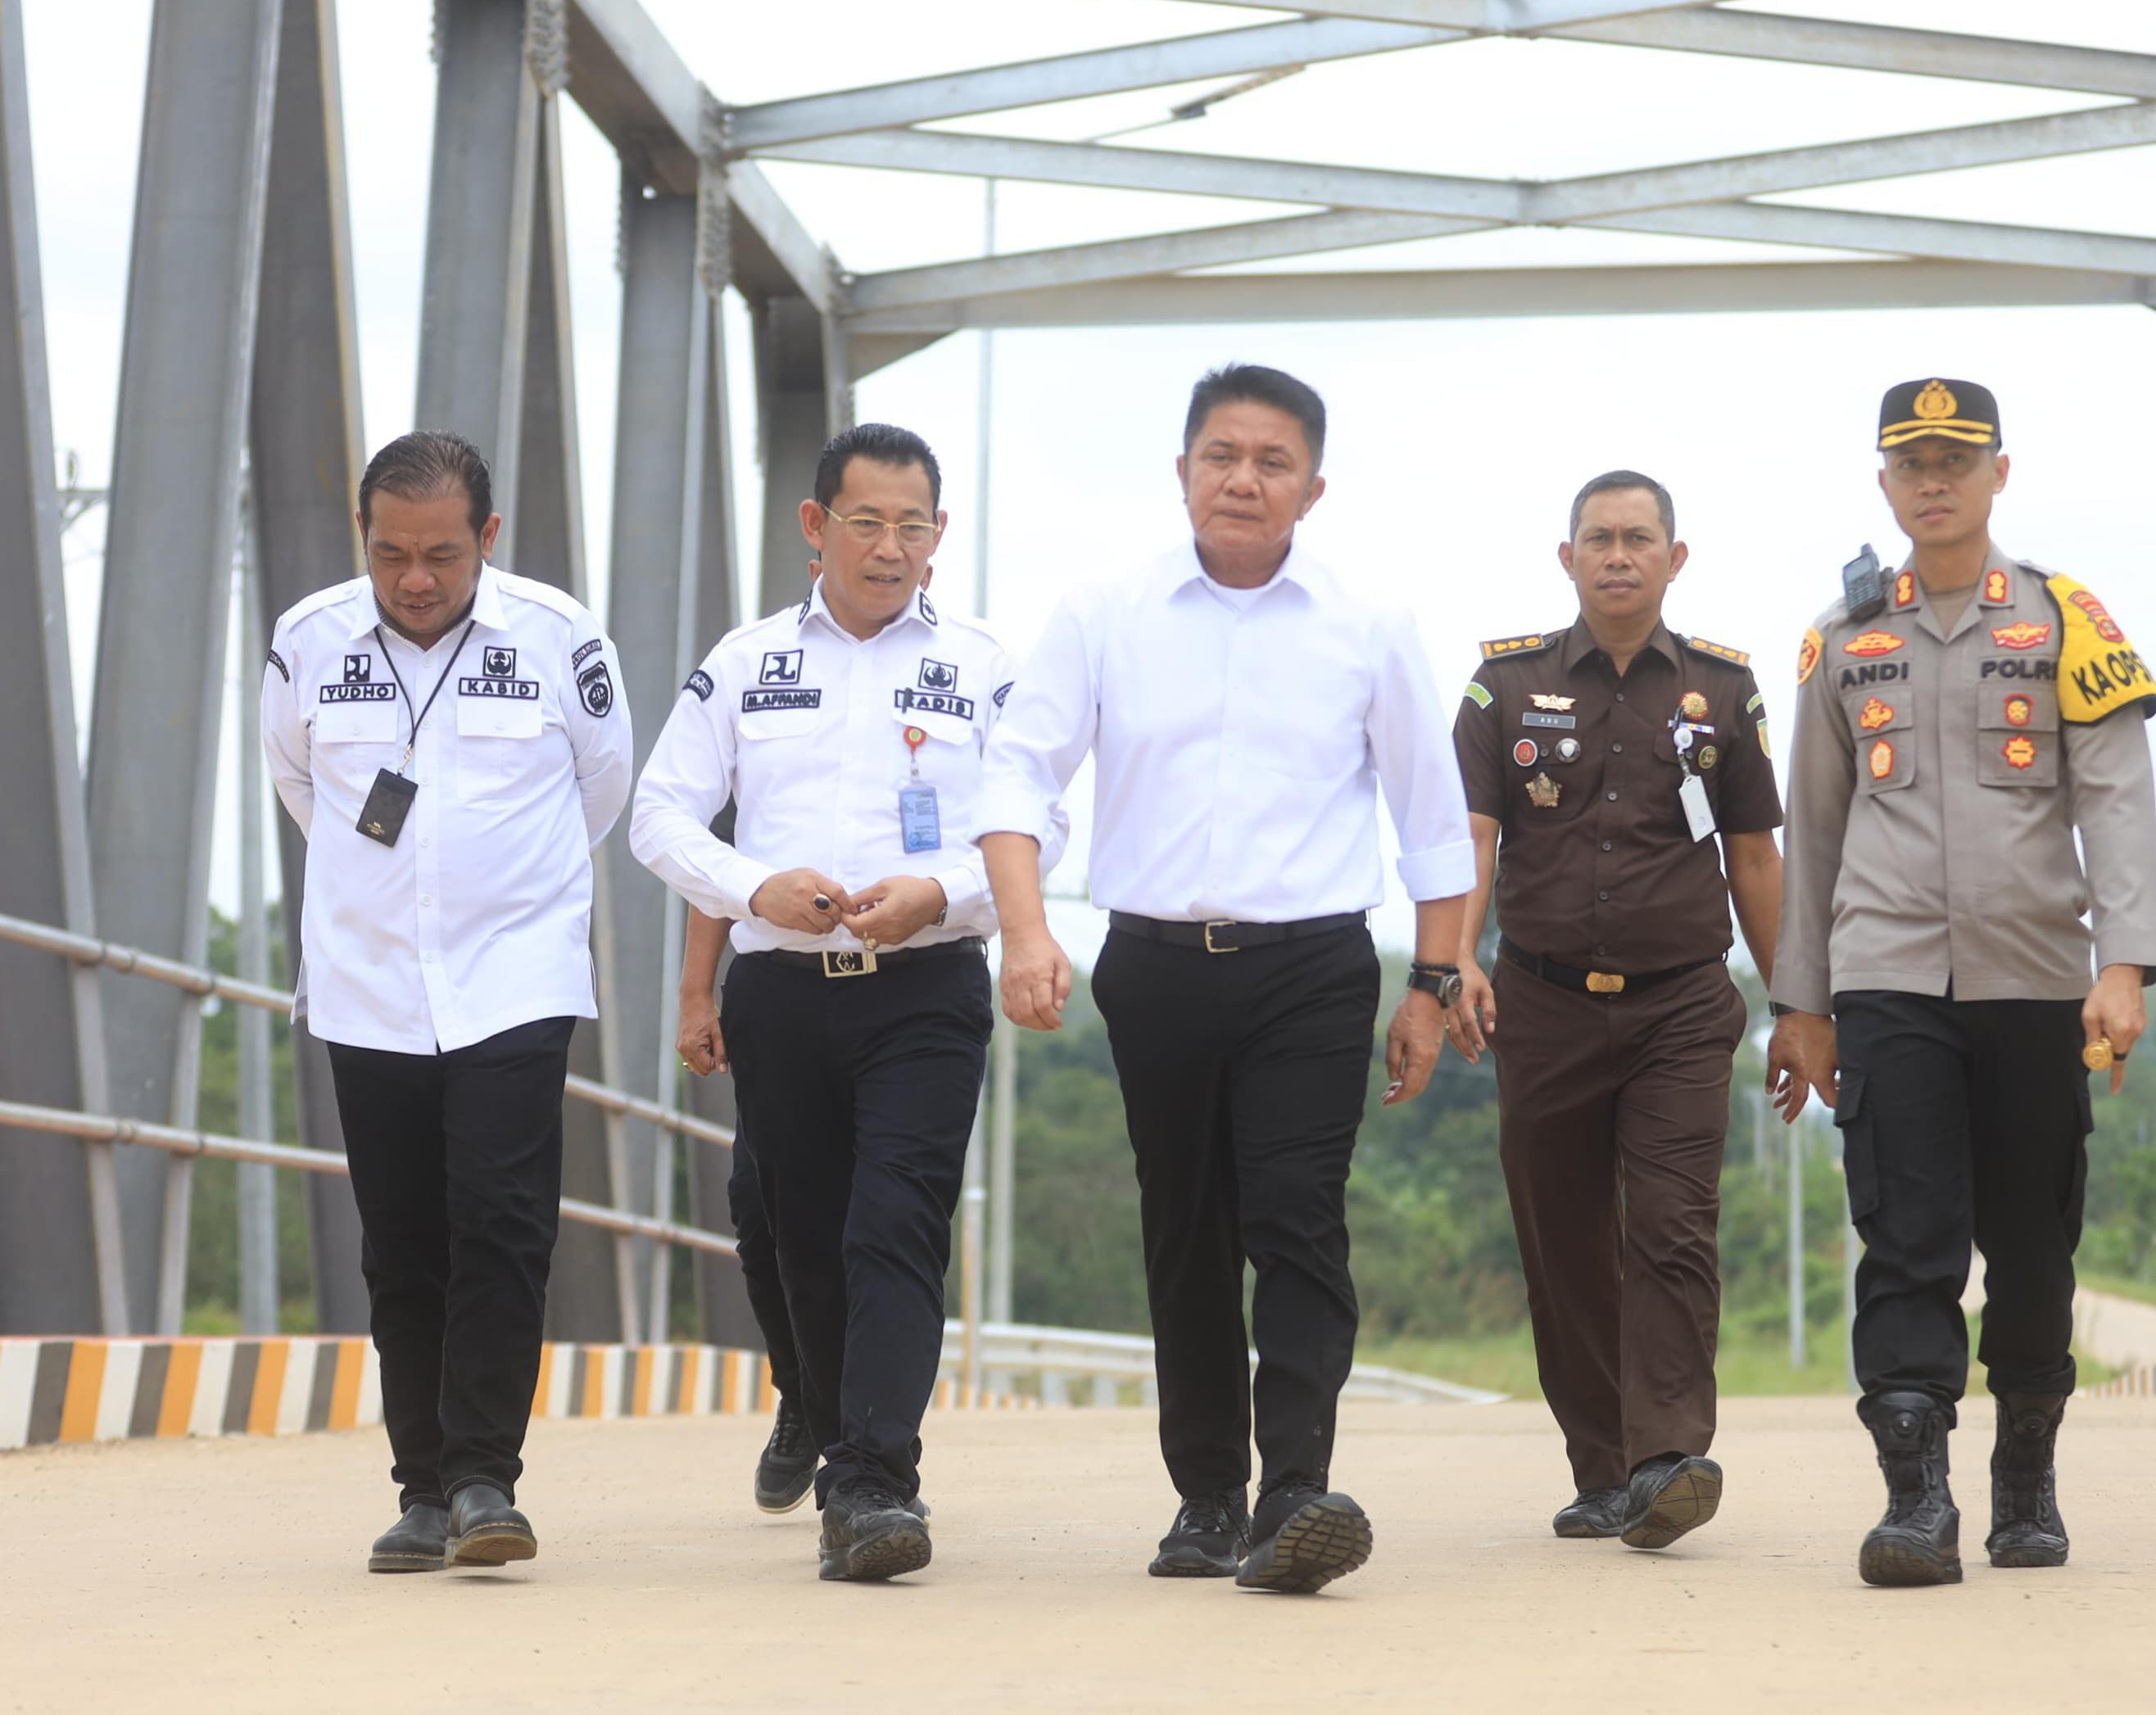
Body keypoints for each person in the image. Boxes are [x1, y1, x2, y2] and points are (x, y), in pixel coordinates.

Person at [977, 364, 1474, 1596]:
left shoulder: (1368, 630)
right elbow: (1016, 777)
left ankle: (1296, 1490)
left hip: (1310, 967)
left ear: (1312, 486)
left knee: (1294, 1217)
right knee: (1186, 1229)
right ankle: (1206, 1497)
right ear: (1183, 469)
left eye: (1270, 461)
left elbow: (1434, 823)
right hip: (1148, 964)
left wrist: (1433, 982)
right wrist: (1028, 936)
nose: (1242, 479)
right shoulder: (1104, 614)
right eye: (1220, 456)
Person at [629, 422, 1058, 1583]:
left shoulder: (982, 666)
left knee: (894, 1230)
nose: (889, 547)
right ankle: (822, 1419)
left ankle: (873, 1485)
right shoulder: (745, 660)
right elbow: (660, 814)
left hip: (925, 993)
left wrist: (944, 890)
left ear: (939, 535)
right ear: (815, 527)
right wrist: (748, 886)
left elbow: (1042, 822)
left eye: (911, 525)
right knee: (800, 1243)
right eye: (864, 522)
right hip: (779, 991)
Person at [1769, 378, 2156, 1588]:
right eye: (1910, 463)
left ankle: (2024, 1480)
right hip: (1886, 978)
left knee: (2033, 1247)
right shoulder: (1843, 641)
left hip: (2036, 981)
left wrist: (2124, 964)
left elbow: (2113, 794)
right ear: (1883, 484)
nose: (1933, 481)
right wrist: (1800, 1003)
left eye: (1956, 458)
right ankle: (1916, 1497)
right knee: (1905, 1236)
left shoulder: (2063, 622)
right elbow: (1814, 828)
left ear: (1999, 472)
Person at [260, 429, 634, 1575]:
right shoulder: (309, 642)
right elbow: (296, 779)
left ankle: (483, 1480)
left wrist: (503, 899)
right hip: (368, 986)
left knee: (504, 1225)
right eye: (389, 555)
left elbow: (602, 786)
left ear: (487, 538)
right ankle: (420, 1490)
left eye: (439, 555)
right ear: (363, 543)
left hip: (512, 981)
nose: (414, 580)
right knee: (403, 1241)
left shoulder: (559, 636)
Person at [1447, 469, 1782, 1549]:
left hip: (1682, 1005)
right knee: (1563, 1241)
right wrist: (1454, 959)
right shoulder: (1503, 688)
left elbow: (1754, 859)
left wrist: (1799, 1007)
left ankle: (1668, 1460)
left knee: (1674, 1228)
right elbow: (1471, 839)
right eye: (1598, 538)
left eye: (1639, 538)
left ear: (1674, 559)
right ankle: (1603, 1469)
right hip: (1539, 1006)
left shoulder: (1723, 693)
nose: (1618, 555)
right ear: (1567, 558)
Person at [673, 906, 814, 1514]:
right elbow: (709, 868)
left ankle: (875, 1440)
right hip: (780, 998)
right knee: (759, 1217)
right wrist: (696, 994)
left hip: (902, 999)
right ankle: (803, 1397)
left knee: (881, 1224)